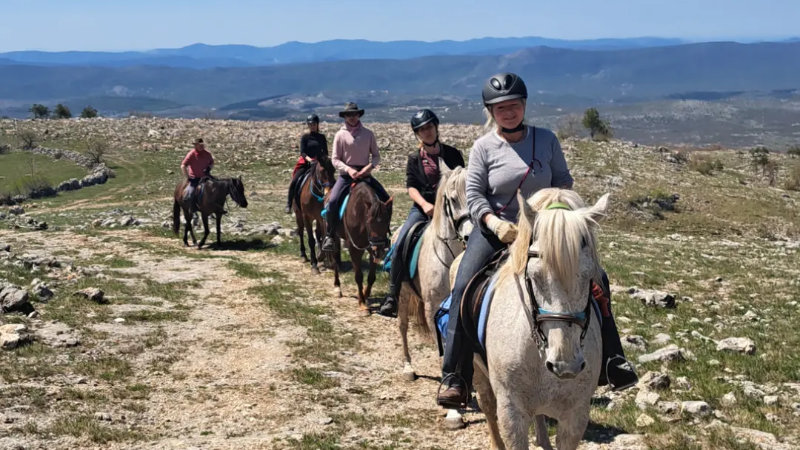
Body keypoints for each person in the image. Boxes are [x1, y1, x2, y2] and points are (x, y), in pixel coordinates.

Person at [436, 73, 638, 408]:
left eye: (514, 105)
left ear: (524, 105)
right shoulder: (483, 147)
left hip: (545, 231)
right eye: (501, 108)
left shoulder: (546, 140)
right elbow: (474, 194)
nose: (508, 112)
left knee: (597, 279)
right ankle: (455, 374)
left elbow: (563, 182)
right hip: (498, 231)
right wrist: (493, 222)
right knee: (463, 284)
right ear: (490, 111)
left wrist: (555, 214)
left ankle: (613, 360)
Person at [378, 109, 464, 317]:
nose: (427, 132)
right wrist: (425, 205)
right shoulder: (414, 158)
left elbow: (461, 182)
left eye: (429, 127)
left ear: (436, 127)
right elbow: (411, 187)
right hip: (424, 208)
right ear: (417, 134)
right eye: (422, 130)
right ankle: (393, 294)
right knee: (401, 242)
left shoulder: (453, 154)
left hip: (450, 209)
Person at [321, 102, 390, 252]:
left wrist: (368, 168)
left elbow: (376, 156)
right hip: (346, 176)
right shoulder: (340, 135)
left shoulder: (368, 134)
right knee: (332, 201)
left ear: (359, 115)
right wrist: (348, 169)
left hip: (365, 174)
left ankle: (384, 234)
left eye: (354, 114)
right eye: (348, 115)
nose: (352, 117)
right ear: (345, 117)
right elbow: (335, 159)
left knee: (386, 200)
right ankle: (330, 235)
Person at [286, 114, 329, 214]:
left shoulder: (322, 137)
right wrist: (310, 160)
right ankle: (289, 204)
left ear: (317, 124)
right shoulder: (305, 137)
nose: (312, 126)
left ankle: (329, 203)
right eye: (310, 124)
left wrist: (321, 160)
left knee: (328, 180)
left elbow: (325, 152)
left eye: (314, 124)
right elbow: (303, 152)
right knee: (295, 181)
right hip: (306, 164)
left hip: (319, 164)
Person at [180, 138, 214, 209]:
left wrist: (209, 168)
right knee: (189, 194)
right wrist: (187, 176)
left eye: (202, 145)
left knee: (216, 189)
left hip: (205, 178)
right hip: (194, 178)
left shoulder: (207, 154)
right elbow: (183, 165)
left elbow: (212, 163)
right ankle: (192, 209)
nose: (201, 146)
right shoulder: (191, 154)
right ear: (195, 145)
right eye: (199, 145)